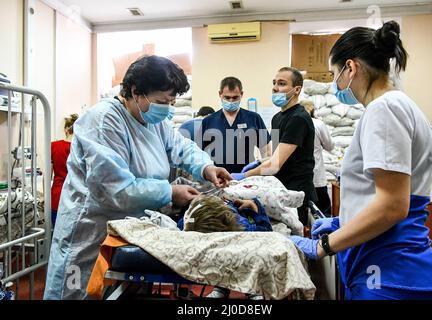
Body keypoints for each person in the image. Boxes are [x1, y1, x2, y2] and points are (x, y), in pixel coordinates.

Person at [44, 55, 233, 300]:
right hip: (90, 228)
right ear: (135, 92)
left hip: (129, 223)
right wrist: (169, 193)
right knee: (73, 290)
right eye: (161, 101)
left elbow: (179, 146)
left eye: (171, 101)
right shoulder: (103, 121)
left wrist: (206, 167)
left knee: (113, 292)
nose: (167, 108)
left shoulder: (153, 120)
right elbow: (116, 189)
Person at [290, 21, 432, 300]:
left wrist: (323, 246)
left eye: (334, 74)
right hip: (389, 262)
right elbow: (387, 193)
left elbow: (392, 206)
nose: (334, 84)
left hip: (389, 269)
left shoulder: (384, 110)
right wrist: (344, 221)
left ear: (351, 68)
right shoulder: (400, 105)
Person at [235, 67, 317, 226]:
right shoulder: (277, 118)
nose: (275, 87)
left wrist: (244, 176)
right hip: (280, 188)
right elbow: (274, 156)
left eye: (282, 83)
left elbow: (274, 165)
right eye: (274, 83)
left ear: (296, 89)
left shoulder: (298, 118)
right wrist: (258, 163)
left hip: (296, 192)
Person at [181, 194, 272, 299]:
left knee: (247, 253)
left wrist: (255, 208)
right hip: (210, 215)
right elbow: (187, 224)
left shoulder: (243, 226)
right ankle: (222, 287)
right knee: (223, 255)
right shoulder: (192, 220)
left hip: (236, 220)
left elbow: (266, 235)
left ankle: (252, 290)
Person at [201, 77, 271, 174]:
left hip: (246, 175)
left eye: (235, 97)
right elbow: (200, 154)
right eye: (227, 97)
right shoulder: (208, 121)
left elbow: (266, 152)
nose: (231, 101)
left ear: (241, 94)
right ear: (220, 94)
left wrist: (264, 173)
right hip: (218, 177)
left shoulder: (254, 118)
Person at [302, 100, 334, 216]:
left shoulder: (291, 123)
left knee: (302, 213)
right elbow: (330, 146)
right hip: (316, 177)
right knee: (322, 212)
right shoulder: (318, 124)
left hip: (298, 178)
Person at [50, 113, 78, 227]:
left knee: (56, 235)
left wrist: (46, 198)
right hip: (75, 199)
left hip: (57, 196)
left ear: (66, 129)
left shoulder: (54, 146)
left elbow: (47, 177)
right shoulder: (81, 148)